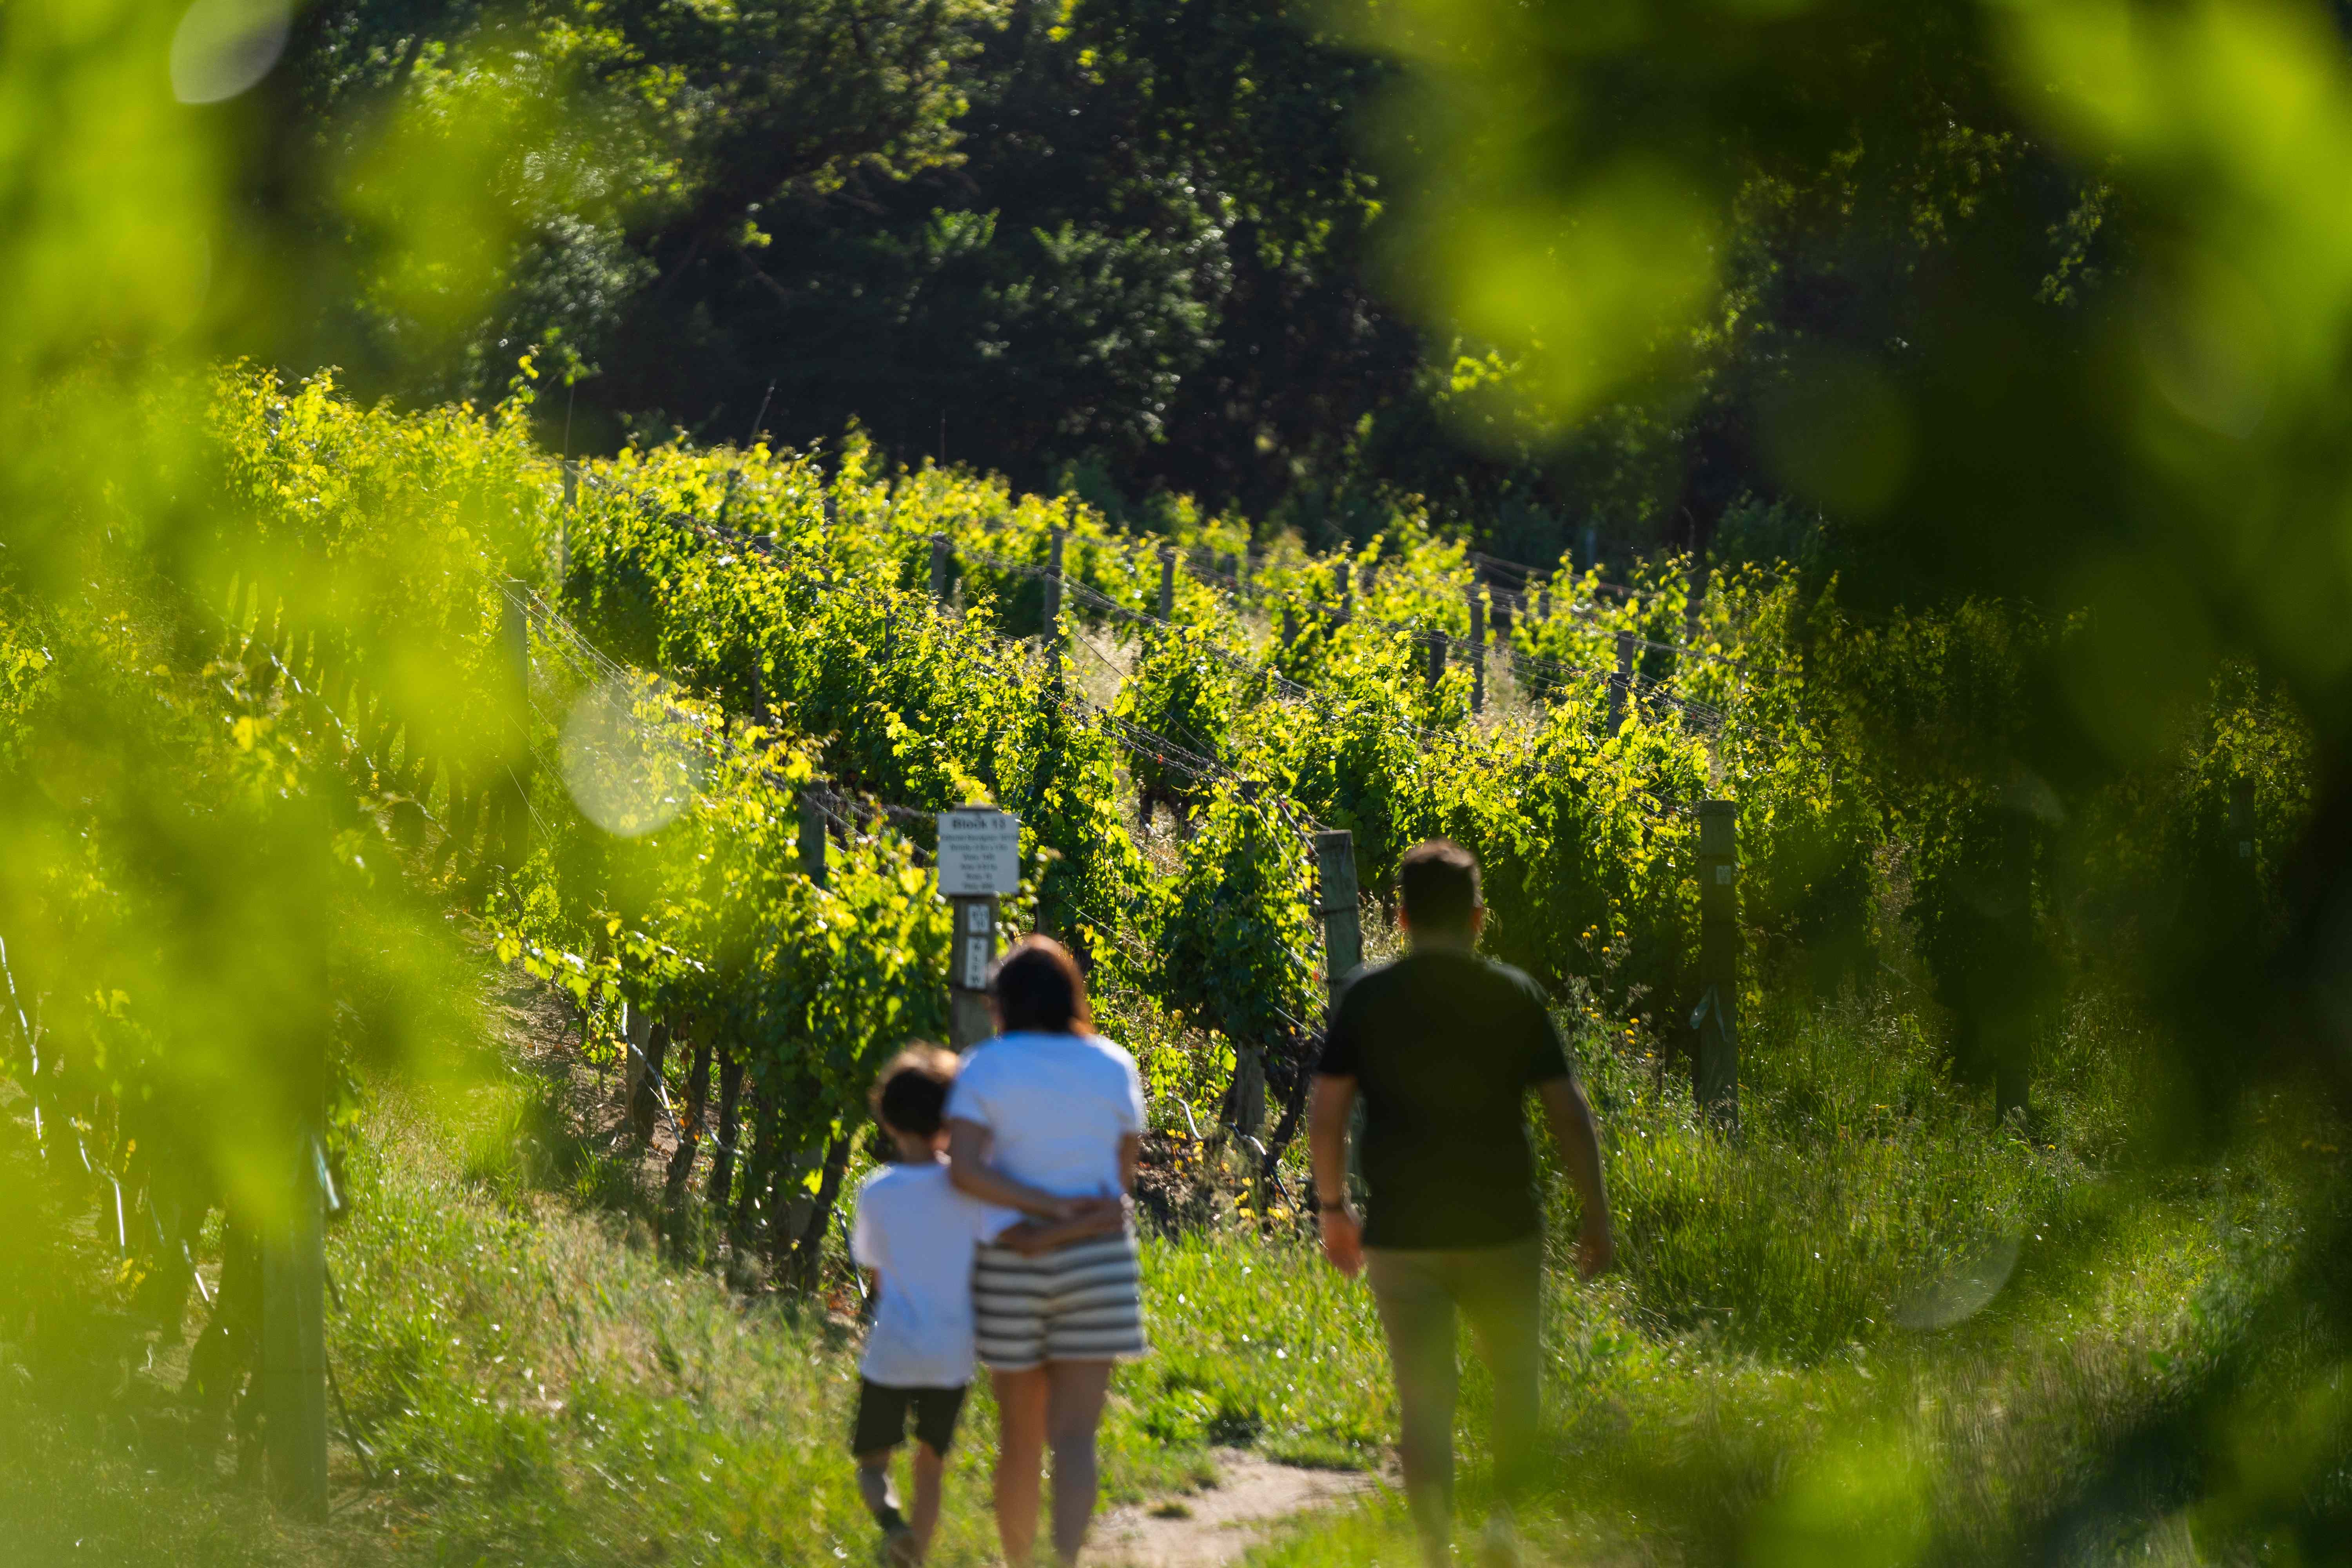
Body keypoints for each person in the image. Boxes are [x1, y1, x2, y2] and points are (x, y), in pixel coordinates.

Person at [1308, 839, 1615, 1568]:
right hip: (1502, 1225)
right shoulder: (1513, 993)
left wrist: (1332, 1208)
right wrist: (1595, 1214)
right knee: (1514, 1379)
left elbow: (1326, 1114)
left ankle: (1434, 1548)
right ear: (1479, 917)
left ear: (1402, 915)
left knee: (1424, 1395)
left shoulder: (1366, 997)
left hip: (1403, 1231)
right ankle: (1501, 1522)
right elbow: (1569, 1115)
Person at [849, 1045, 1123, 1566]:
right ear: (951, 1119)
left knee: (872, 1464)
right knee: (930, 1467)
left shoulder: (875, 1193)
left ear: (885, 1116)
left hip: (892, 1349)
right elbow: (1022, 1240)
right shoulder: (967, 1191)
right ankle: (919, 1555)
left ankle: (891, 1524)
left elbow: (874, 1267)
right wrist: (1085, 1223)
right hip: (952, 1351)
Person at [944, 936, 1147, 1567]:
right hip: (1099, 1260)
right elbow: (1122, 1177)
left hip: (1012, 1263)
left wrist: (1039, 1210)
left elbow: (966, 1171)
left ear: (1002, 1003)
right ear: (1070, 993)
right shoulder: (1113, 1064)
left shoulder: (984, 1066)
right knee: (1077, 1437)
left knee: (1020, 1439)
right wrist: (1069, 1212)